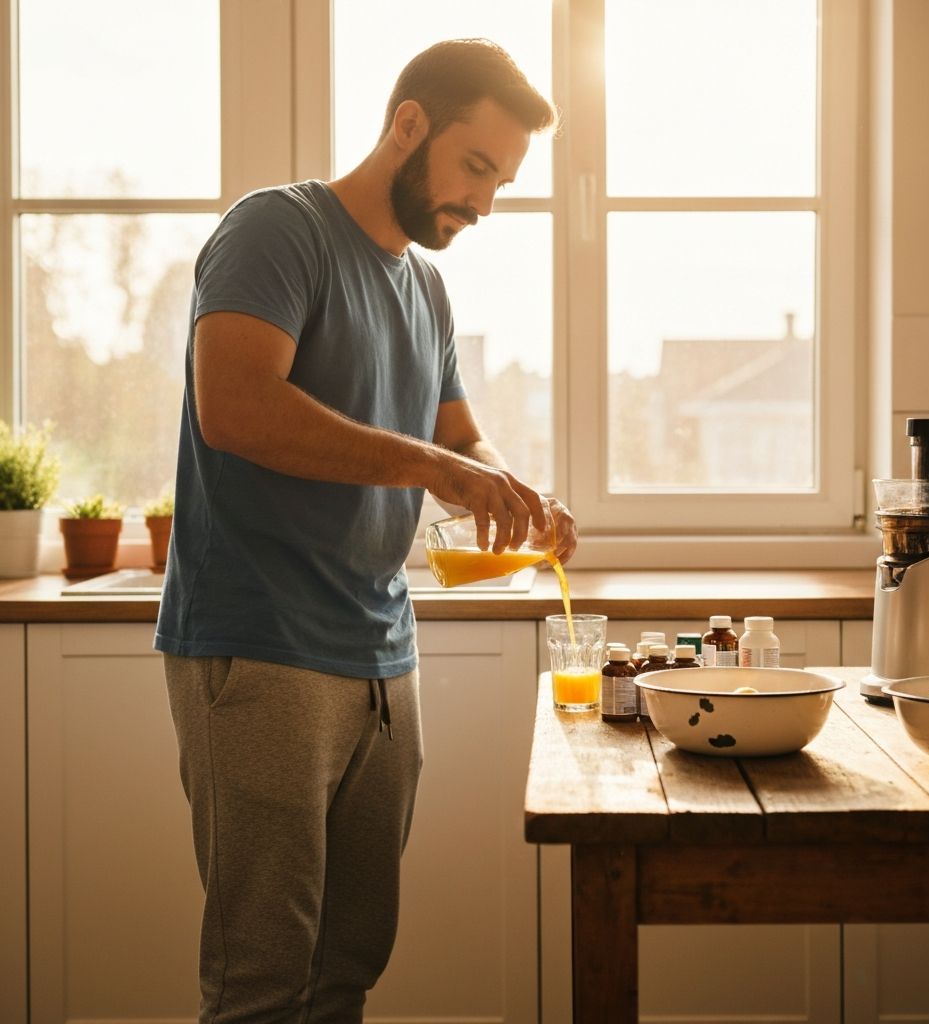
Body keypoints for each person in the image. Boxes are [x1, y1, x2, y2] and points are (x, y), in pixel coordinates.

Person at [155, 38, 577, 1024]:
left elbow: (457, 436)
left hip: (383, 658)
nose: (484, 203)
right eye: (477, 167)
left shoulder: (424, 287)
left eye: (503, 182)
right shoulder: (277, 231)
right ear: (407, 124)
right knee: (260, 978)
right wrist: (440, 467)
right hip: (258, 649)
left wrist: (516, 491)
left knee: (347, 968)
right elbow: (236, 407)